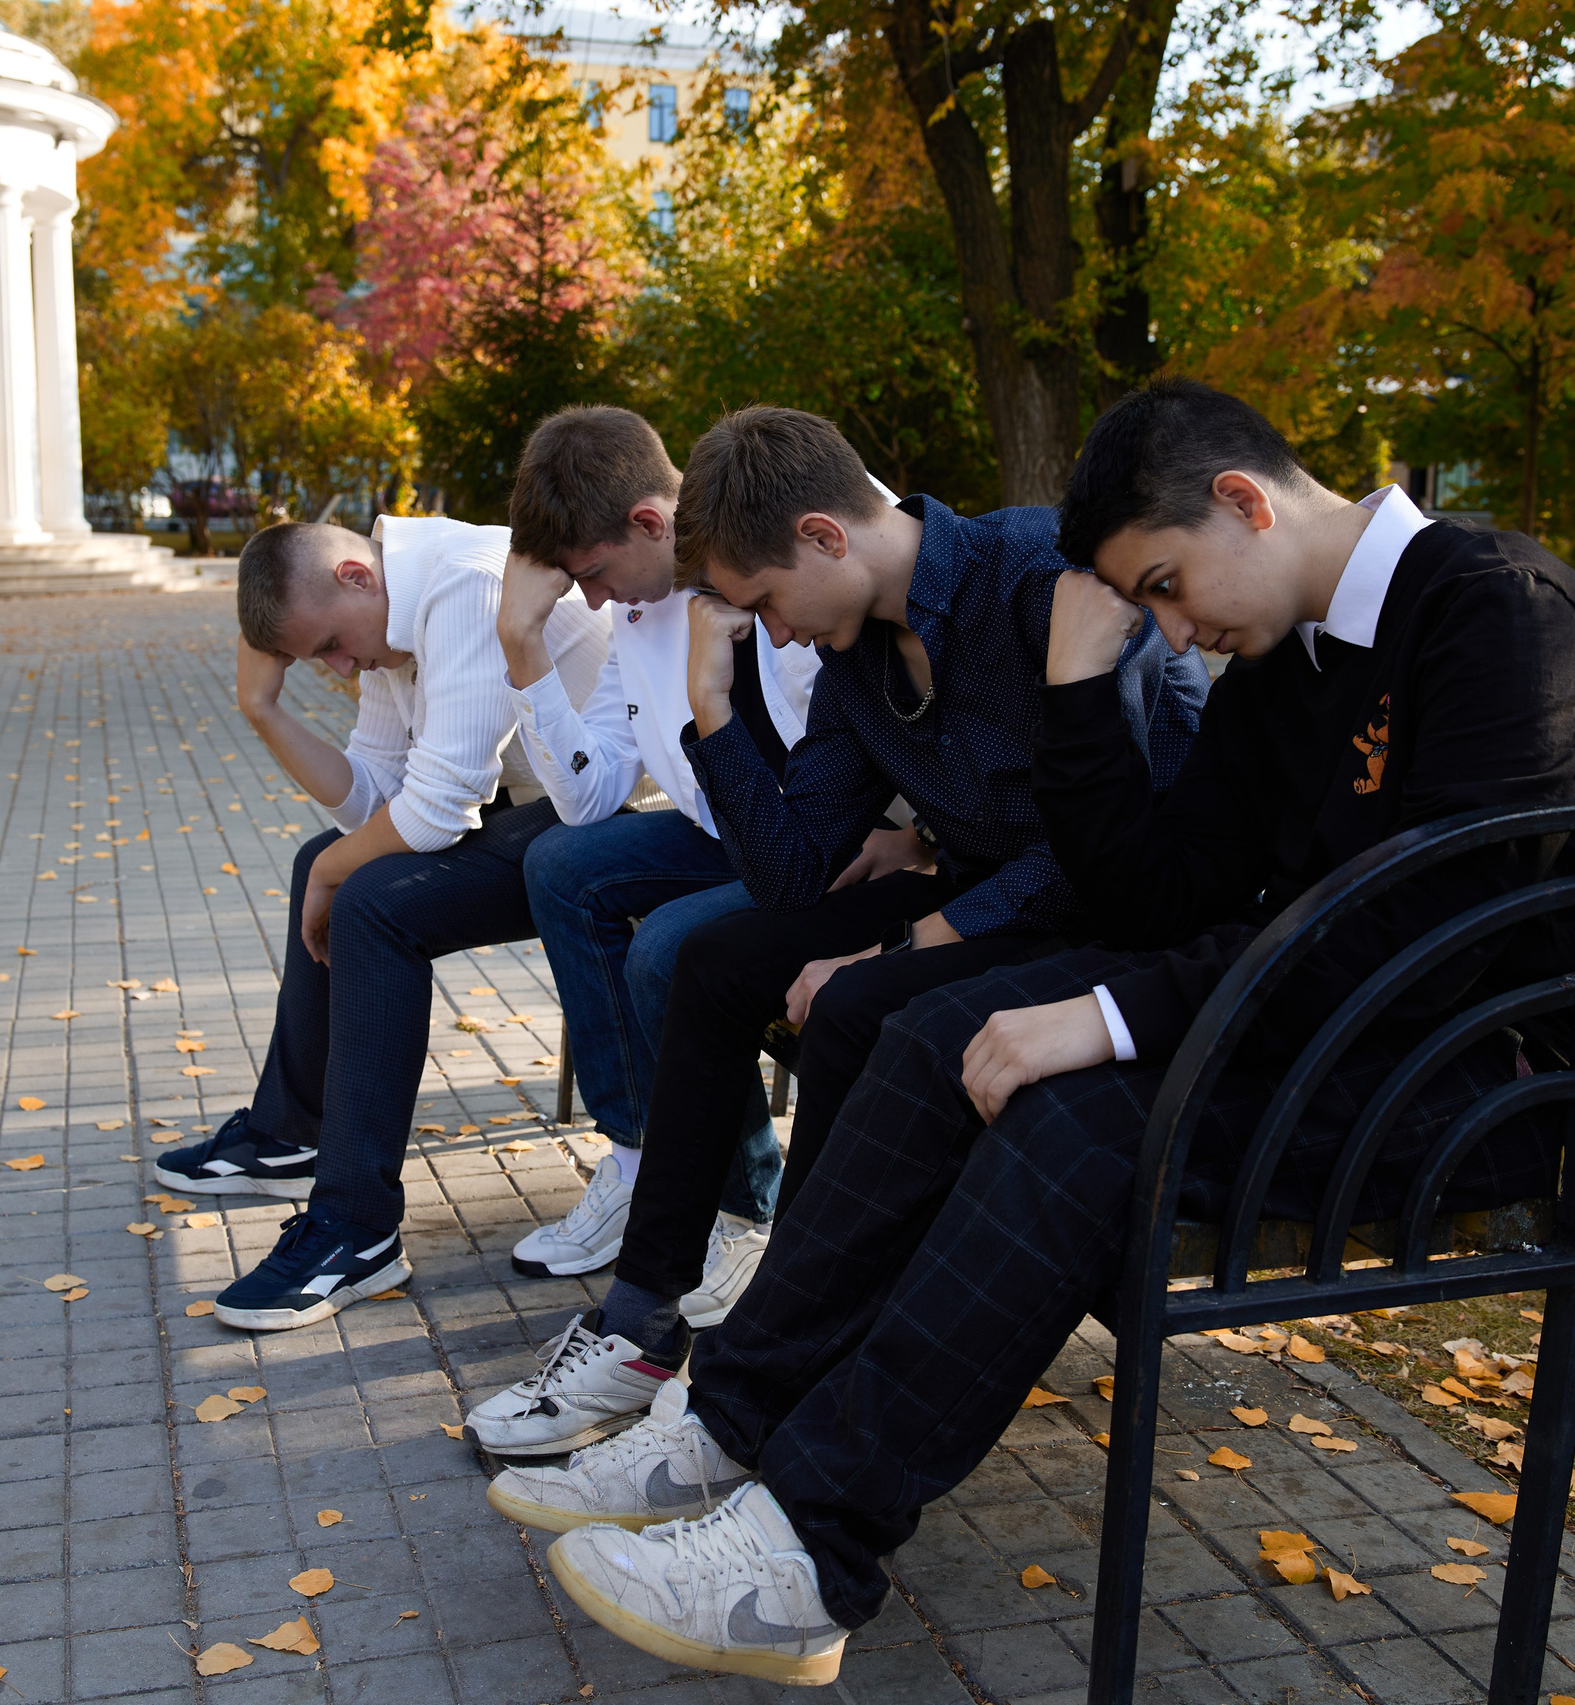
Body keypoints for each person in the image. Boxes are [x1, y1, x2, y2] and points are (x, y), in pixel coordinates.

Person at [484, 379, 1575, 1686]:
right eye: (1147, 604)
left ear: (1243, 501)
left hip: (1495, 1081)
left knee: (1076, 1124)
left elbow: (1411, 934)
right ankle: (731, 1419)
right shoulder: (1284, 656)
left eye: (1165, 586)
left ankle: (807, 1552)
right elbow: (1154, 890)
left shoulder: (1501, 616)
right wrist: (1072, 681)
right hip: (1333, 1023)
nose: (1171, 629)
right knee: (948, 1032)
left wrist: (1110, 1014)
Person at [474, 407, 1209, 1453]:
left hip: (1109, 915)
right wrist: (712, 705)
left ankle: (792, 1331)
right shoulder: (857, 650)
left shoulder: (1044, 580)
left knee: (858, 997)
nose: (771, 632)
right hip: (979, 893)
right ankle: (640, 1325)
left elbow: (1095, 849)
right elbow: (791, 877)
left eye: (766, 602)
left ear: (824, 537)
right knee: (715, 957)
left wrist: (914, 943)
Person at [466, 406, 863, 1454]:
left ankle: (741, 1208)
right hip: (716, 830)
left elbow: (835, 794)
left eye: (593, 575)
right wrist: (522, 650)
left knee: (668, 945)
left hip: (810, 845)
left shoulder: (763, 590)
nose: (589, 600)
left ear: (652, 520)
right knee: (563, 863)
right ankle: (643, 1152)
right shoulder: (632, 620)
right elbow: (590, 797)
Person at [156, 514, 606, 1330]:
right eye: (315, 658)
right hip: (545, 812)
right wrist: (262, 709)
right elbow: (372, 797)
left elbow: (437, 808)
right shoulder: (391, 615)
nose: (337, 666)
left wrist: (337, 868)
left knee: (366, 899)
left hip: (612, 816)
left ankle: (356, 1227)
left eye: (330, 641)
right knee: (321, 867)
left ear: (357, 577)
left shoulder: (463, 585)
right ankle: (289, 1131)